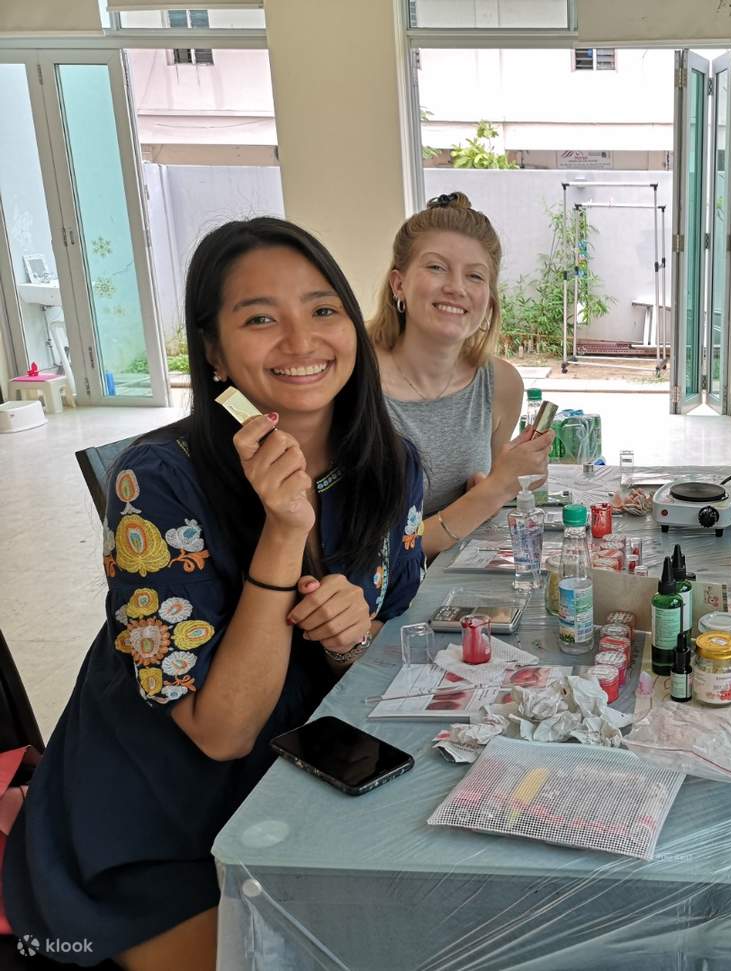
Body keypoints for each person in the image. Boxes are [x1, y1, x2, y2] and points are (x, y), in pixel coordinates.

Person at [2, 218, 425, 968]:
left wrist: (352, 640)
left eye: (322, 309)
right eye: (260, 318)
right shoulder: (159, 481)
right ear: (213, 350)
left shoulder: (392, 466)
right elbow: (220, 730)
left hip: (303, 795)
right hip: (155, 829)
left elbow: (387, 664)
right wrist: (283, 528)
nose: (301, 341)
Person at [369, 192, 553, 558]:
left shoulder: (501, 385)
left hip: (458, 586)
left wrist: (493, 486)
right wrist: (497, 489)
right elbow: (371, 555)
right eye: (436, 267)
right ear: (398, 284)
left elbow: (478, 500)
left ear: (488, 298)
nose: (456, 287)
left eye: (475, 275)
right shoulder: (352, 379)